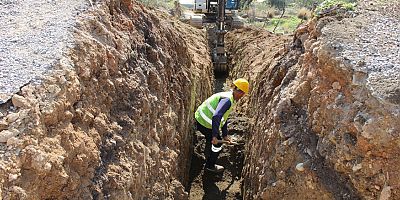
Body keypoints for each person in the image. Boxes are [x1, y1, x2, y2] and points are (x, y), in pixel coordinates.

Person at [194, 78, 249, 173]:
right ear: (238, 91)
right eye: (242, 93)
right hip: (203, 122)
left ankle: (208, 150)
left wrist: (225, 135)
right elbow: (216, 116)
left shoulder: (229, 97)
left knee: (210, 138)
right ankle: (210, 165)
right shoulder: (227, 100)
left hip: (201, 117)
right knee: (218, 144)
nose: (242, 96)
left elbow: (224, 117)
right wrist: (215, 136)